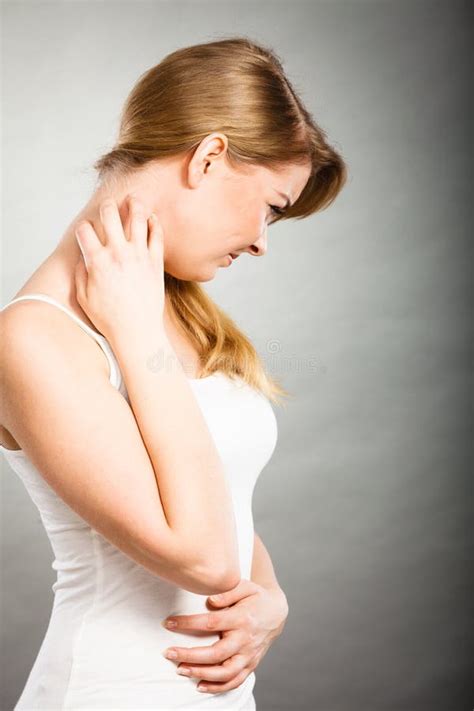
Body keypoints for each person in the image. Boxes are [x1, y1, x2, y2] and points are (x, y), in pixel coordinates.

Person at [0, 36, 347, 710]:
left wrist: (269, 597)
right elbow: (204, 555)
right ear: (210, 156)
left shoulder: (174, 306)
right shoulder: (31, 337)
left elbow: (218, 492)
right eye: (271, 205)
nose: (261, 241)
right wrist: (135, 336)